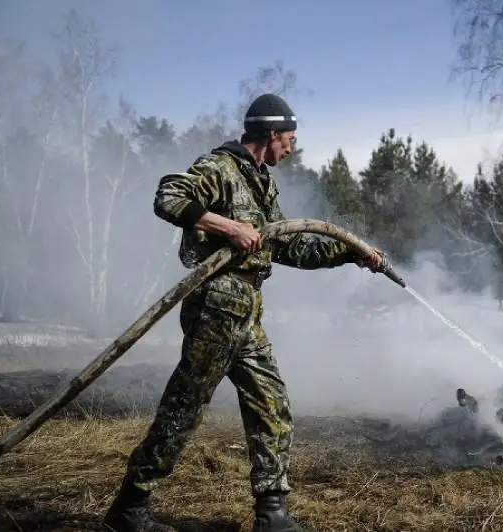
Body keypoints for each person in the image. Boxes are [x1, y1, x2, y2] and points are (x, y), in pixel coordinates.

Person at [103, 93, 384, 532]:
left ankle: (272, 516)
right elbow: (168, 195)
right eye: (289, 138)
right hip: (215, 307)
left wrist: (351, 253)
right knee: (185, 408)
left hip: (247, 310)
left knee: (272, 404)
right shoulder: (220, 168)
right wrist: (227, 226)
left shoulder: (261, 181)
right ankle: (130, 507)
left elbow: (290, 243)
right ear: (271, 134)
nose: (292, 147)